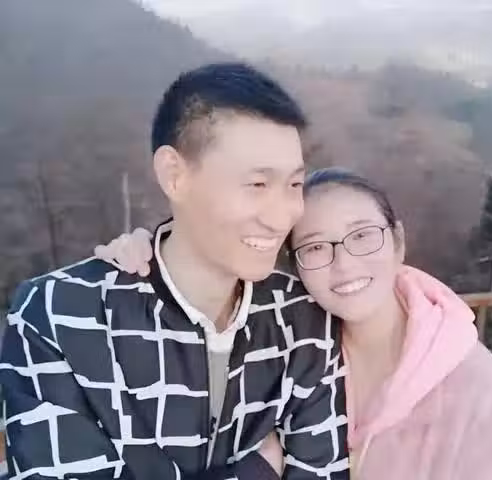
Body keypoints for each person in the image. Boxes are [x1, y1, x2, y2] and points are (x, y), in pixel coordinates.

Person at [0, 64, 349, 480]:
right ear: (174, 175)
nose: (281, 217)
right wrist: (257, 470)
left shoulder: (302, 318)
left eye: (293, 185)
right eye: (257, 184)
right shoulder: (61, 317)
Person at [96, 167, 492, 479]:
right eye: (315, 247)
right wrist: (152, 257)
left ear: (398, 241)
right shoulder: (288, 347)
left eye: (362, 236)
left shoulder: (472, 385)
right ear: (296, 267)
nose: (344, 264)